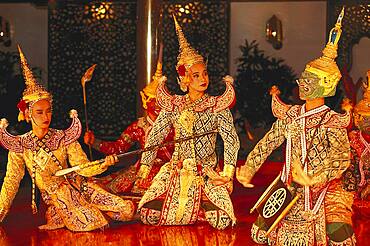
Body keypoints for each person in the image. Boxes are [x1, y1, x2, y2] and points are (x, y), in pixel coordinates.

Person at [237, 9, 356, 245]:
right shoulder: (291, 115)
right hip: (289, 189)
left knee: (341, 240)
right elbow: (268, 141)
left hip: (324, 191)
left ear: (325, 86)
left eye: (309, 81)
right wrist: (248, 168)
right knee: (259, 234)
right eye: (303, 79)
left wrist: (315, 178)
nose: (302, 84)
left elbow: (342, 158)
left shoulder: (332, 120)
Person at [0, 46, 134, 231]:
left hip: (80, 184)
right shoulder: (21, 145)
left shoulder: (63, 138)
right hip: (57, 194)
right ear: (28, 114)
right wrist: (1, 209)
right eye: (39, 112)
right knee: (89, 221)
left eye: (48, 111)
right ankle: (68, 214)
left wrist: (104, 163)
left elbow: (84, 166)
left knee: (125, 210)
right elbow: (11, 180)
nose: (46, 117)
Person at [135, 16, 240, 230]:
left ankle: (200, 207)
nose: (203, 79)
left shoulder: (216, 105)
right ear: (184, 79)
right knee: (148, 215)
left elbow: (231, 141)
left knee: (221, 221)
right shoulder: (173, 104)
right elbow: (155, 136)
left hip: (207, 171)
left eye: (205, 73)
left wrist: (227, 174)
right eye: (196, 75)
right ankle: (193, 209)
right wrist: (145, 165)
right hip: (177, 170)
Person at [83, 53, 175, 195]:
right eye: (154, 100)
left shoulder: (176, 123)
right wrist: (94, 142)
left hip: (171, 171)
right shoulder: (138, 127)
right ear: (145, 100)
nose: (159, 105)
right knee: (101, 189)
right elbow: (118, 149)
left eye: (163, 101)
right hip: (143, 171)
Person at [343, 69, 370, 217]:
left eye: (366, 118)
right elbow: (348, 171)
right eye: (359, 117)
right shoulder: (352, 139)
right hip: (354, 191)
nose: (361, 121)